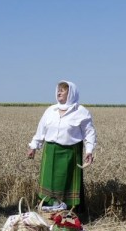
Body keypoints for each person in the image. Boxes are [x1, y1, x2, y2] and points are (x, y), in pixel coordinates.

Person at [27, 80, 96, 222]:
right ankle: (48, 213)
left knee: (67, 183)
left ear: (71, 93)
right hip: (50, 152)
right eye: (58, 89)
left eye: (63, 90)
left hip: (70, 153)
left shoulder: (81, 111)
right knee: (49, 182)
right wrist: (34, 146)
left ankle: (67, 216)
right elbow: (41, 130)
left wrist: (89, 150)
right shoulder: (50, 110)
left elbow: (89, 132)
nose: (59, 92)